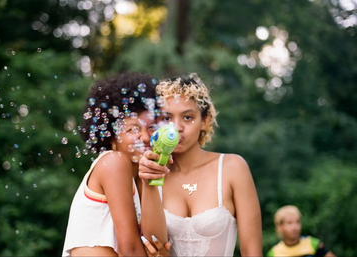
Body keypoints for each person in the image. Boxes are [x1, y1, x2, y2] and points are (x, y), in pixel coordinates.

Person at [138, 73, 262, 256]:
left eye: (187, 117)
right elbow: (153, 249)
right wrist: (149, 182)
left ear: (205, 121)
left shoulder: (232, 167)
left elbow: (252, 253)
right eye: (166, 118)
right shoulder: (148, 172)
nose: (176, 127)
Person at [62, 72, 169, 256]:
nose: (144, 137)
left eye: (151, 127)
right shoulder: (114, 162)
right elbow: (132, 251)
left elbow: (155, 245)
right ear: (112, 137)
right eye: (133, 129)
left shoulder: (139, 179)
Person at [267, 205, 336, 257]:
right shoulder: (274, 253)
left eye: (297, 222)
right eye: (289, 223)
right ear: (280, 227)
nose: (295, 227)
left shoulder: (312, 243)